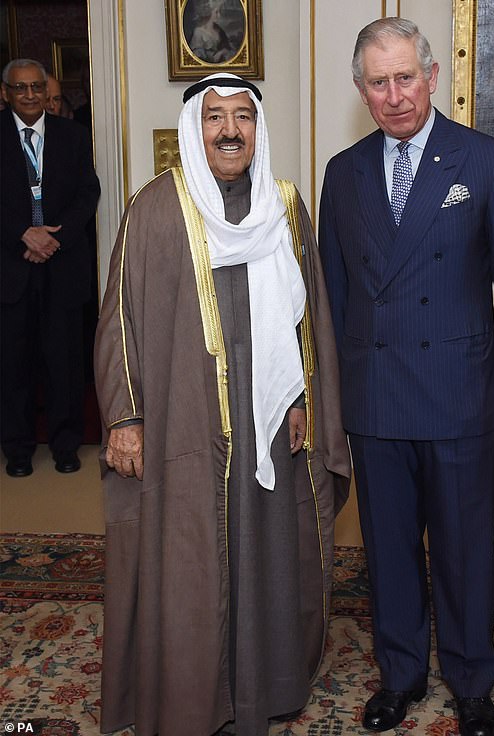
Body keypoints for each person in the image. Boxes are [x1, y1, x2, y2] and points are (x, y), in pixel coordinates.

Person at [94, 72, 350, 736]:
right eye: (214, 118)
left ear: (258, 129)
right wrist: (125, 416)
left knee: (266, 545)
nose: (230, 130)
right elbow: (118, 318)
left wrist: (301, 402)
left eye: (242, 117)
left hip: (267, 424)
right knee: (189, 555)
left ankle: (265, 687)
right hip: (184, 421)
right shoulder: (154, 208)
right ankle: (190, 693)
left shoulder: (286, 206)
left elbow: (308, 319)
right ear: (193, 129)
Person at [319, 18, 494, 736]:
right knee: (386, 551)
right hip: (376, 396)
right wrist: (336, 391)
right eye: (378, 82)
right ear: (361, 89)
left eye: (406, 77)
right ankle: (402, 676)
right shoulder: (343, 172)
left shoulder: (484, 160)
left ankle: (473, 682)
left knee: (463, 547)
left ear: (434, 76)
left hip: (459, 391)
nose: (395, 95)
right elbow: (335, 293)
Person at [1, 59, 100, 477]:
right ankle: (19, 451)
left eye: (36, 87)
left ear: (46, 91)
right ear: (5, 92)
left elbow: (88, 192)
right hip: (11, 270)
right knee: (13, 367)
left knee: (65, 366)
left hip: (62, 266)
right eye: (19, 88)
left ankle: (65, 446)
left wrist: (54, 238)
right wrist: (23, 234)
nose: (29, 95)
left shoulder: (72, 136)